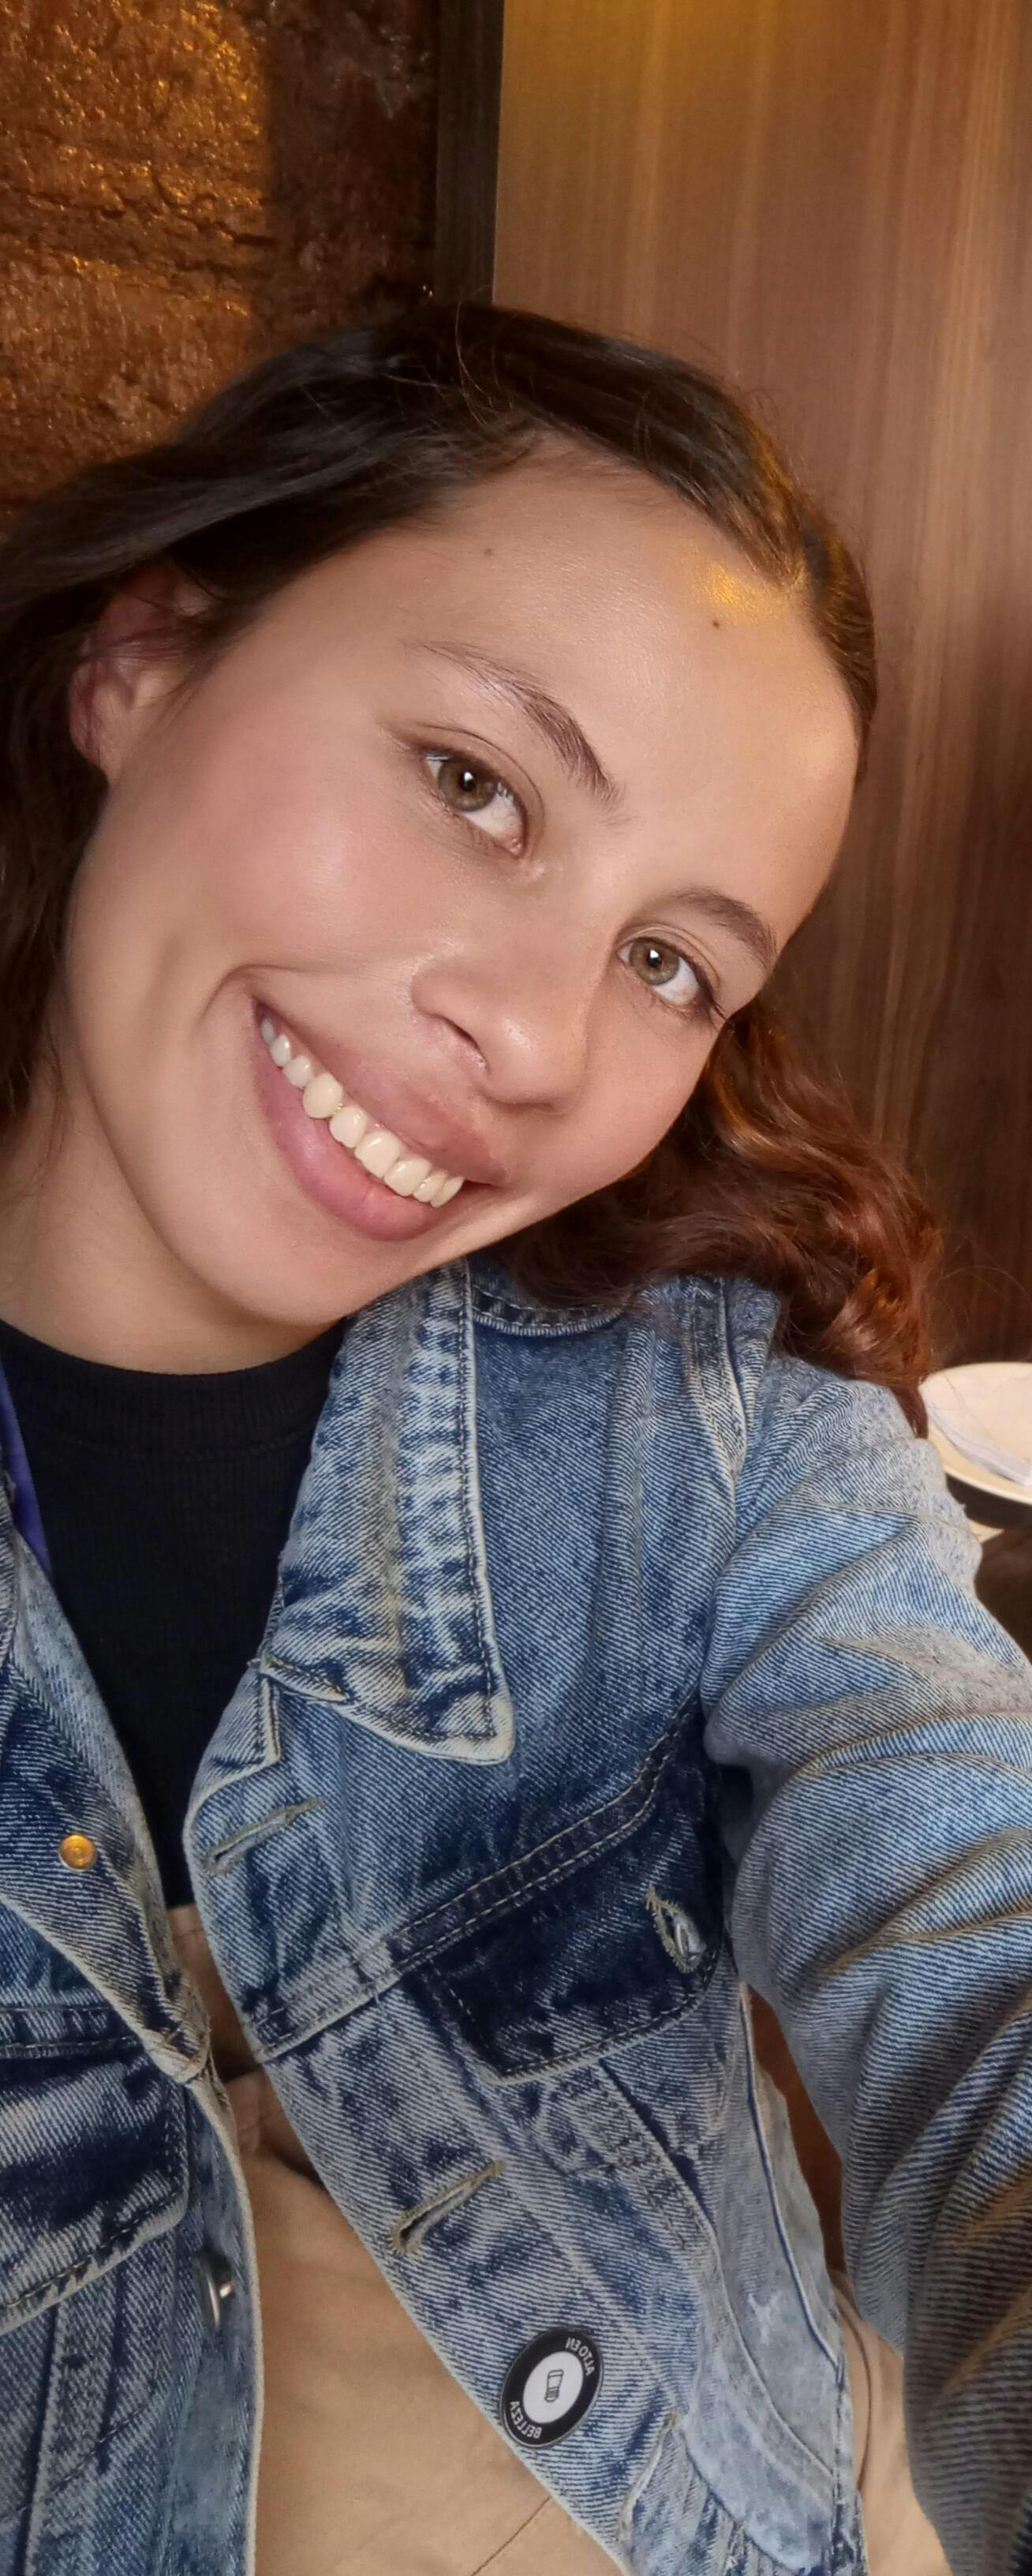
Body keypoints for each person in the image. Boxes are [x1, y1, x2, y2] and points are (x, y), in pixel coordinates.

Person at [0, 296, 1028, 2576]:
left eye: (673, 962)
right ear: (142, 659)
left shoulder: (704, 1428)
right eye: (476, 785)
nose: (540, 1041)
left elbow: (972, 1919)